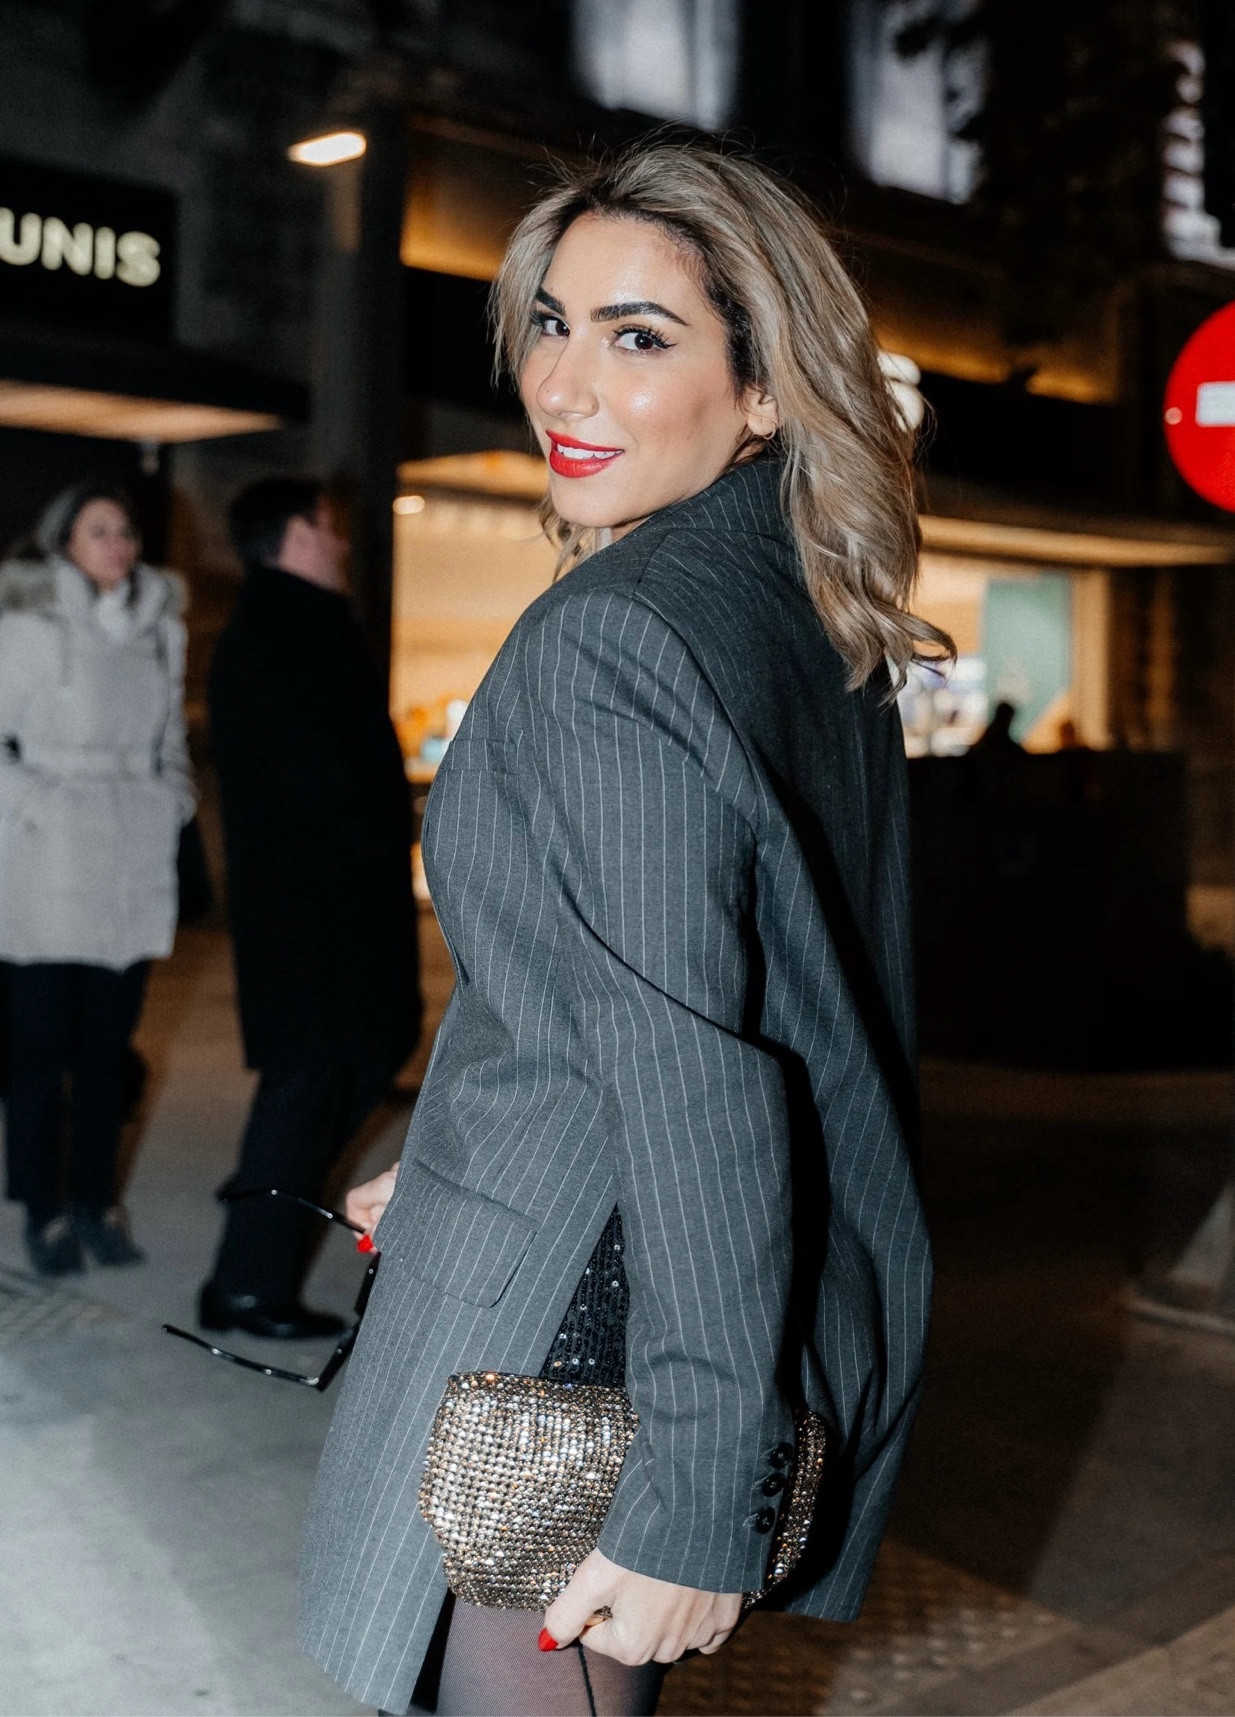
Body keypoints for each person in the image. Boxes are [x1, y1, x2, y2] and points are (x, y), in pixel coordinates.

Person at [300, 141, 947, 1717]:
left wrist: (695, 1483)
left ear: (766, 389)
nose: (563, 385)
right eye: (549, 321)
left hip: (602, 1336)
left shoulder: (612, 637)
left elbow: (696, 1075)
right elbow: (647, 978)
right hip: (673, 1278)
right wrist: (457, 1135)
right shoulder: (804, 606)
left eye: (638, 336)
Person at [200, 478, 420, 1342]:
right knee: (303, 1096)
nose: (341, 543)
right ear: (295, 534)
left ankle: (256, 1246)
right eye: (329, 528)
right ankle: (247, 1282)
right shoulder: (291, 628)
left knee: (326, 1083)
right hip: (320, 919)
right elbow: (323, 780)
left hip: (315, 914)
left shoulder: (280, 624)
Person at [0, 483, 192, 1275]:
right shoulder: (29, 631)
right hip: (47, 859)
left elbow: (173, 734)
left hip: (130, 856)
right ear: (64, 546)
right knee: (42, 1049)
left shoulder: (160, 633)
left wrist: (174, 796)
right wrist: (31, 805)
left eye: (125, 531)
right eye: (98, 530)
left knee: (110, 1051)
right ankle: (42, 1210)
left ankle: (94, 1201)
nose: (117, 544)